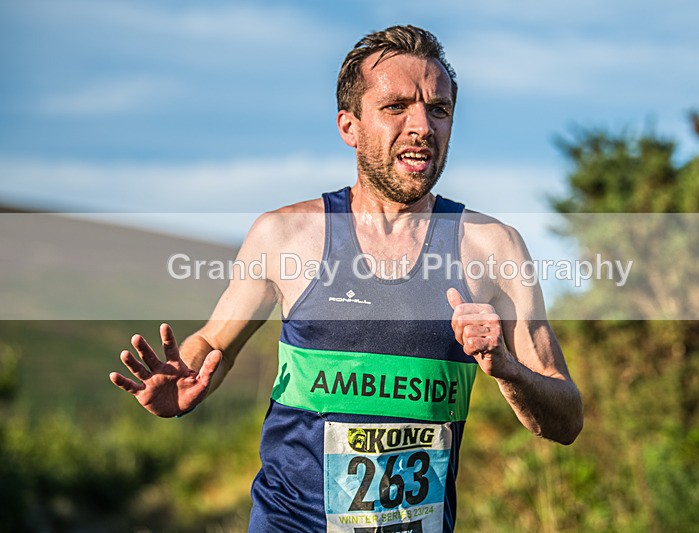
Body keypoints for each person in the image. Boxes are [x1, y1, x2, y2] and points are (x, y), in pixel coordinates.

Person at [109, 25, 583, 532]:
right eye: (396, 106)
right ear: (349, 126)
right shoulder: (285, 235)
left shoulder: (493, 247)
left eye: (438, 109)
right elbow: (214, 342)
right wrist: (186, 375)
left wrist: (506, 368)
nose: (422, 125)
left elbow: (565, 418)